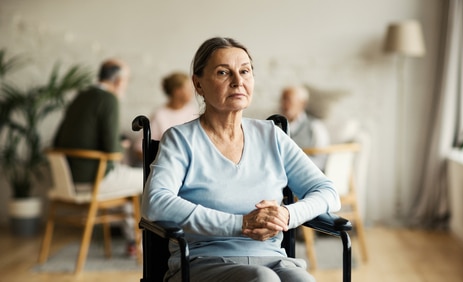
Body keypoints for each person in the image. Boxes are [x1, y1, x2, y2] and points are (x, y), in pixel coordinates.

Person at [142, 37, 341, 282]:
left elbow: (328, 192)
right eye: (223, 72)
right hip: (203, 262)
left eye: (245, 71)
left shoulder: (271, 135)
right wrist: (241, 223)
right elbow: (155, 203)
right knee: (262, 279)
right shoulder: (180, 139)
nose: (238, 82)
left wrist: (287, 215)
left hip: (273, 258)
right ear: (199, 84)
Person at [53, 58, 143, 257]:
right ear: (119, 81)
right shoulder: (108, 99)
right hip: (95, 180)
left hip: (68, 181)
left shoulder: (80, 96)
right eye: (127, 80)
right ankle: (147, 244)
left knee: (126, 182)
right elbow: (113, 151)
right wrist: (123, 145)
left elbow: (56, 140)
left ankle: (132, 241)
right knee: (149, 177)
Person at [133, 71, 198, 156]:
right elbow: (140, 149)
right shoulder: (160, 114)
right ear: (177, 91)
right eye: (189, 89)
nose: (192, 92)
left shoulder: (192, 111)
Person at [280, 85, 330, 170]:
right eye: (283, 100)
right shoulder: (276, 126)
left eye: (289, 100)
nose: (284, 104)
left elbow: (322, 160)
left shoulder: (315, 127)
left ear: (302, 103)